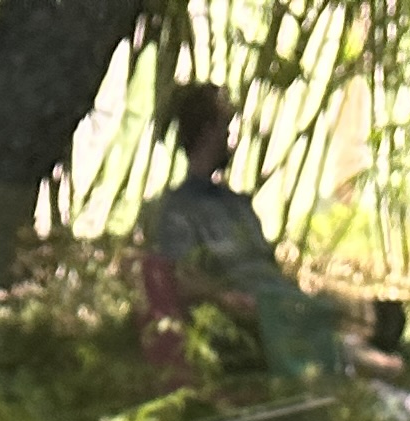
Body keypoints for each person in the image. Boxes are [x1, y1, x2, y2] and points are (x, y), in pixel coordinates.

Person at [140, 82, 336, 378]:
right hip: (252, 309)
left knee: (340, 310)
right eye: (225, 132)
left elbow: (267, 265)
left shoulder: (237, 204)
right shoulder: (179, 210)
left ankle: (362, 365)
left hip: (280, 300)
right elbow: (177, 278)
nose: (230, 142)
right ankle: (367, 373)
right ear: (206, 134)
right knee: (303, 319)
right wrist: (222, 297)